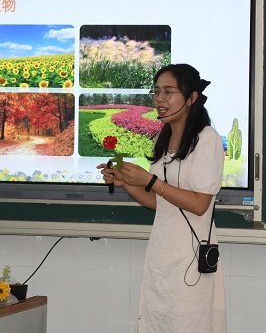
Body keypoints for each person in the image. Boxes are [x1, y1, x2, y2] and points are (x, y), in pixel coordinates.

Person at [98, 63, 226, 332]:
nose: (159, 99)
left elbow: (200, 205)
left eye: (169, 92)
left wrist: (150, 181)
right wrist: (125, 183)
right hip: (162, 254)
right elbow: (162, 204)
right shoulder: (162, 138)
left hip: (191, 256)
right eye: (156, 92)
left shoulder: (207, 139)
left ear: (191, 97)